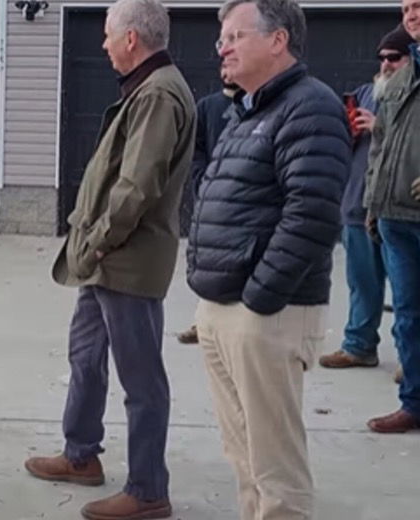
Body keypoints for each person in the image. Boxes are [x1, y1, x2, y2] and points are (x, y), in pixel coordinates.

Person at [24, 1, 196, 518]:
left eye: (107, 35)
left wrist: (98, 240)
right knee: (86, 357)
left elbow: (137, 186)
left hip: (126, 260)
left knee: (141, 379)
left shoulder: (160, 95)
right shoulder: (144, 90)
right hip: (105, 261)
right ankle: (81, 455)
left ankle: (148, 490)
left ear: (131, 40)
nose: (101, 45)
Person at [188, 0, 350, 518]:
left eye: (235, 36)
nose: (223, 48)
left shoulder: (311, 106)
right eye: (222, 39)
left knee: (275, 465)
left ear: (278, 40)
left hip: (266, 312)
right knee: (244, 456)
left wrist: (260, 297)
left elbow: (314, 213)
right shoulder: (247, 108)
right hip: (221, 307)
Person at [318, 25, 412, 379]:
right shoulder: (364, 93)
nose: (386, 64)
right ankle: (359, 345)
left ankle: (410, 359)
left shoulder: (411, 101)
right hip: (358, 203)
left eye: (395, 57)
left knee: (406, 293)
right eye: (382, 57)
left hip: (398, 208)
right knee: (362, 283)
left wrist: (381, 128)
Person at [361, 0, 420, 434]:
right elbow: (380, 141)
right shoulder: (402, 72)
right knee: (407, 315)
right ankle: (414, 404)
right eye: (406, 6)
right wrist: (372, 203)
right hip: (395, 215)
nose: (412, 13)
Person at [177, 67, 239, 344]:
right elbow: (196, 148)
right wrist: (202, 179)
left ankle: (235, 323)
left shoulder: (257, 104)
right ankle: (203, 323)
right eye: (224, 67)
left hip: (244, 201)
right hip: (211, 200)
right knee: (208, 263)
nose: (228, 71)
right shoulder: (207, 106)